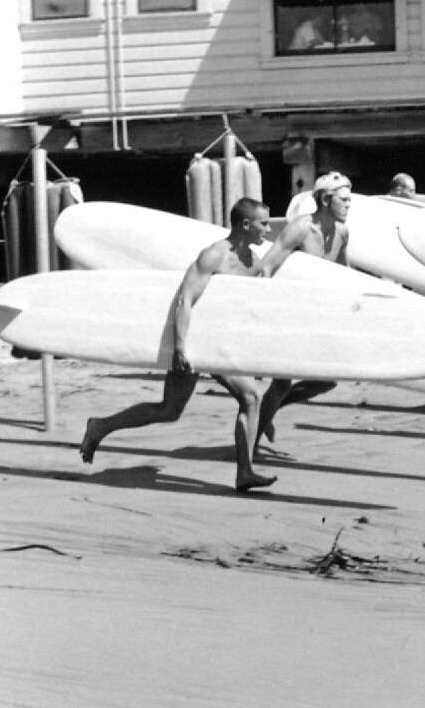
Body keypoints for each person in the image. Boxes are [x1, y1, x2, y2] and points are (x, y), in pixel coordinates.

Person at [79, 197, 277, 492]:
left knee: (248, 397)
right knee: (170, 410)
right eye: (264, 223)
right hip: (194, 340)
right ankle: (100, 426)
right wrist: (181, 346)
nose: (268, 230)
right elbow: (184, 299)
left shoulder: (254, 263)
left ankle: (244, 472)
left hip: (219, 345)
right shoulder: (213, 256)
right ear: (246, 225)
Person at [256, 172, 355, 444]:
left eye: (350, 200)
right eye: (343, 200)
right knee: (282, 382)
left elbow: (346, 276)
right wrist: (260, 314)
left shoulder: (342, 232)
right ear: (325, 199)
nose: (349, 205)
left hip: (318, 316)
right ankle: (249, 447)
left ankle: (269, 411)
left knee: (327, 380)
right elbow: (266, 266)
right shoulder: (301, 228)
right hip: (289, 313)